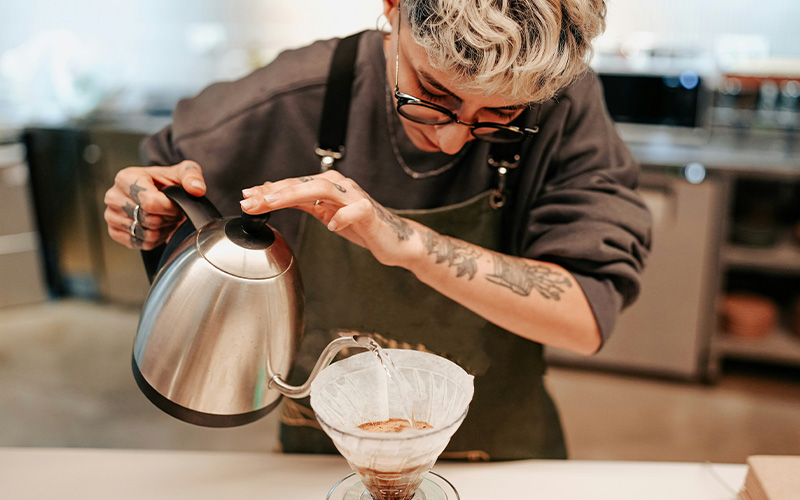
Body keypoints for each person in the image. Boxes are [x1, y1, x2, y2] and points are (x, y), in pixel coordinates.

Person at [104, 0, 651, 461]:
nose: (454, 141)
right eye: (433, 96)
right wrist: (149, 213)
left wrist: (409, 242)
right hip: (325, 453)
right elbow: (165, 186)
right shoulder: (292, 95)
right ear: (393, 6)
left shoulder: (562, 104)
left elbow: (584, 317)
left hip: (494, 454)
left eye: (500, 115)